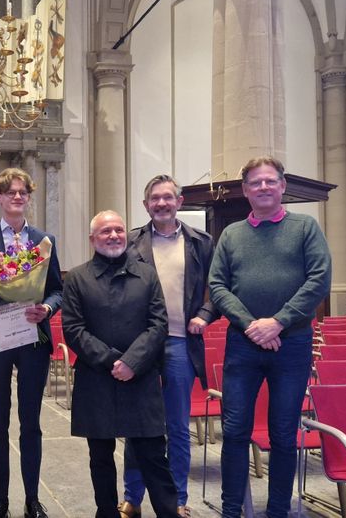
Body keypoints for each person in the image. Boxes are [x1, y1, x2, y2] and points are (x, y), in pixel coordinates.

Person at [209, 156, 332, 518]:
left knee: (282, 431)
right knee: (234, 430)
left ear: (282, 186)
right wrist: (252, 325)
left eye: (269, 181)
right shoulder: (231, 234)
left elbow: (319, 279)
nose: (263, 187)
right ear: (246, 191)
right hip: (242, 345)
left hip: (291, 343)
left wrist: (278, 322)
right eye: (255, 183)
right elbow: (217, 286)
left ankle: (277, 510)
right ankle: (231, 509)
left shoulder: (305, 227)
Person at [61, 210, 180, 518]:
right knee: (100, 457)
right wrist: (114, 361)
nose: (113, 235)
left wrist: (131, 361)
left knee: (153, 455)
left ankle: (168, 511)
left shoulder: (147, 274)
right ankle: (106, 513)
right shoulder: (77, 278)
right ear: (92, 239)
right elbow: (73, 328)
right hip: (96, 378)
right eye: (105, 231)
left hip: (140, 377)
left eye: (118, 230)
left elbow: (158, 324)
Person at [0, 168, 63, 518]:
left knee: (31, 422)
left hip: (33, 337)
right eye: (10, 192)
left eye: (23, 192)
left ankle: (32, 499)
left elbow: (57, 288)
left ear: (29, 197)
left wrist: (47, 308)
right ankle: (1, 500)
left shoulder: (43, 240)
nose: (17, 197)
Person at [119, 175, 215, 518]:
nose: (161, 203)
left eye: (167, 198)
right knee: (137, 425)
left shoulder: (201, 242)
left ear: (180, 201)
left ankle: (177, 499)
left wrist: (204, 314)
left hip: (179, 344)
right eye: (154, 199)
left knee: (176, 426)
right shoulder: (130, 242)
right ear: (146, 205)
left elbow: (215, 289)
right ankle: (132, 497)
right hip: (141, 345)